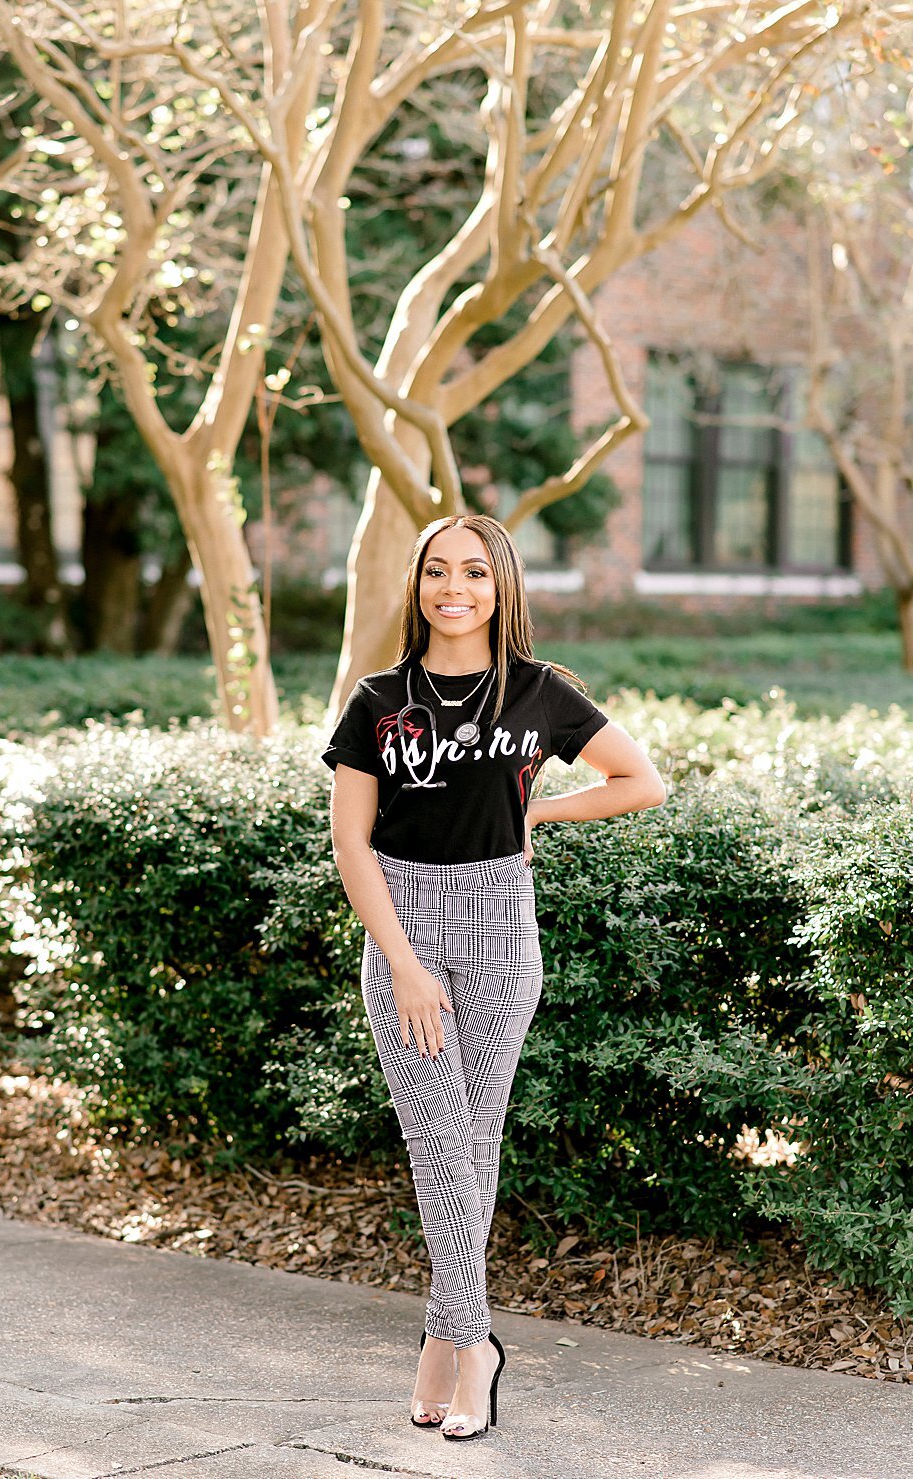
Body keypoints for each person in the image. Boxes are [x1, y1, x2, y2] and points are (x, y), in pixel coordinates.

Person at [320, 513, 667, 1442]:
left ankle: (443, 1333)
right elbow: (350, 840)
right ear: (418, 585)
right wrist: (403, 963)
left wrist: (540, 813)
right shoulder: (380, 699)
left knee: (475, 1138)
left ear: (501, 585)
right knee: (437, 1138)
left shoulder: (541, 693)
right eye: (437, 571)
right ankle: (474, 1346)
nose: (454, 588)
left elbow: (642, 780)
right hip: (405, 925)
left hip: (502, 922)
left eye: (474, 571)